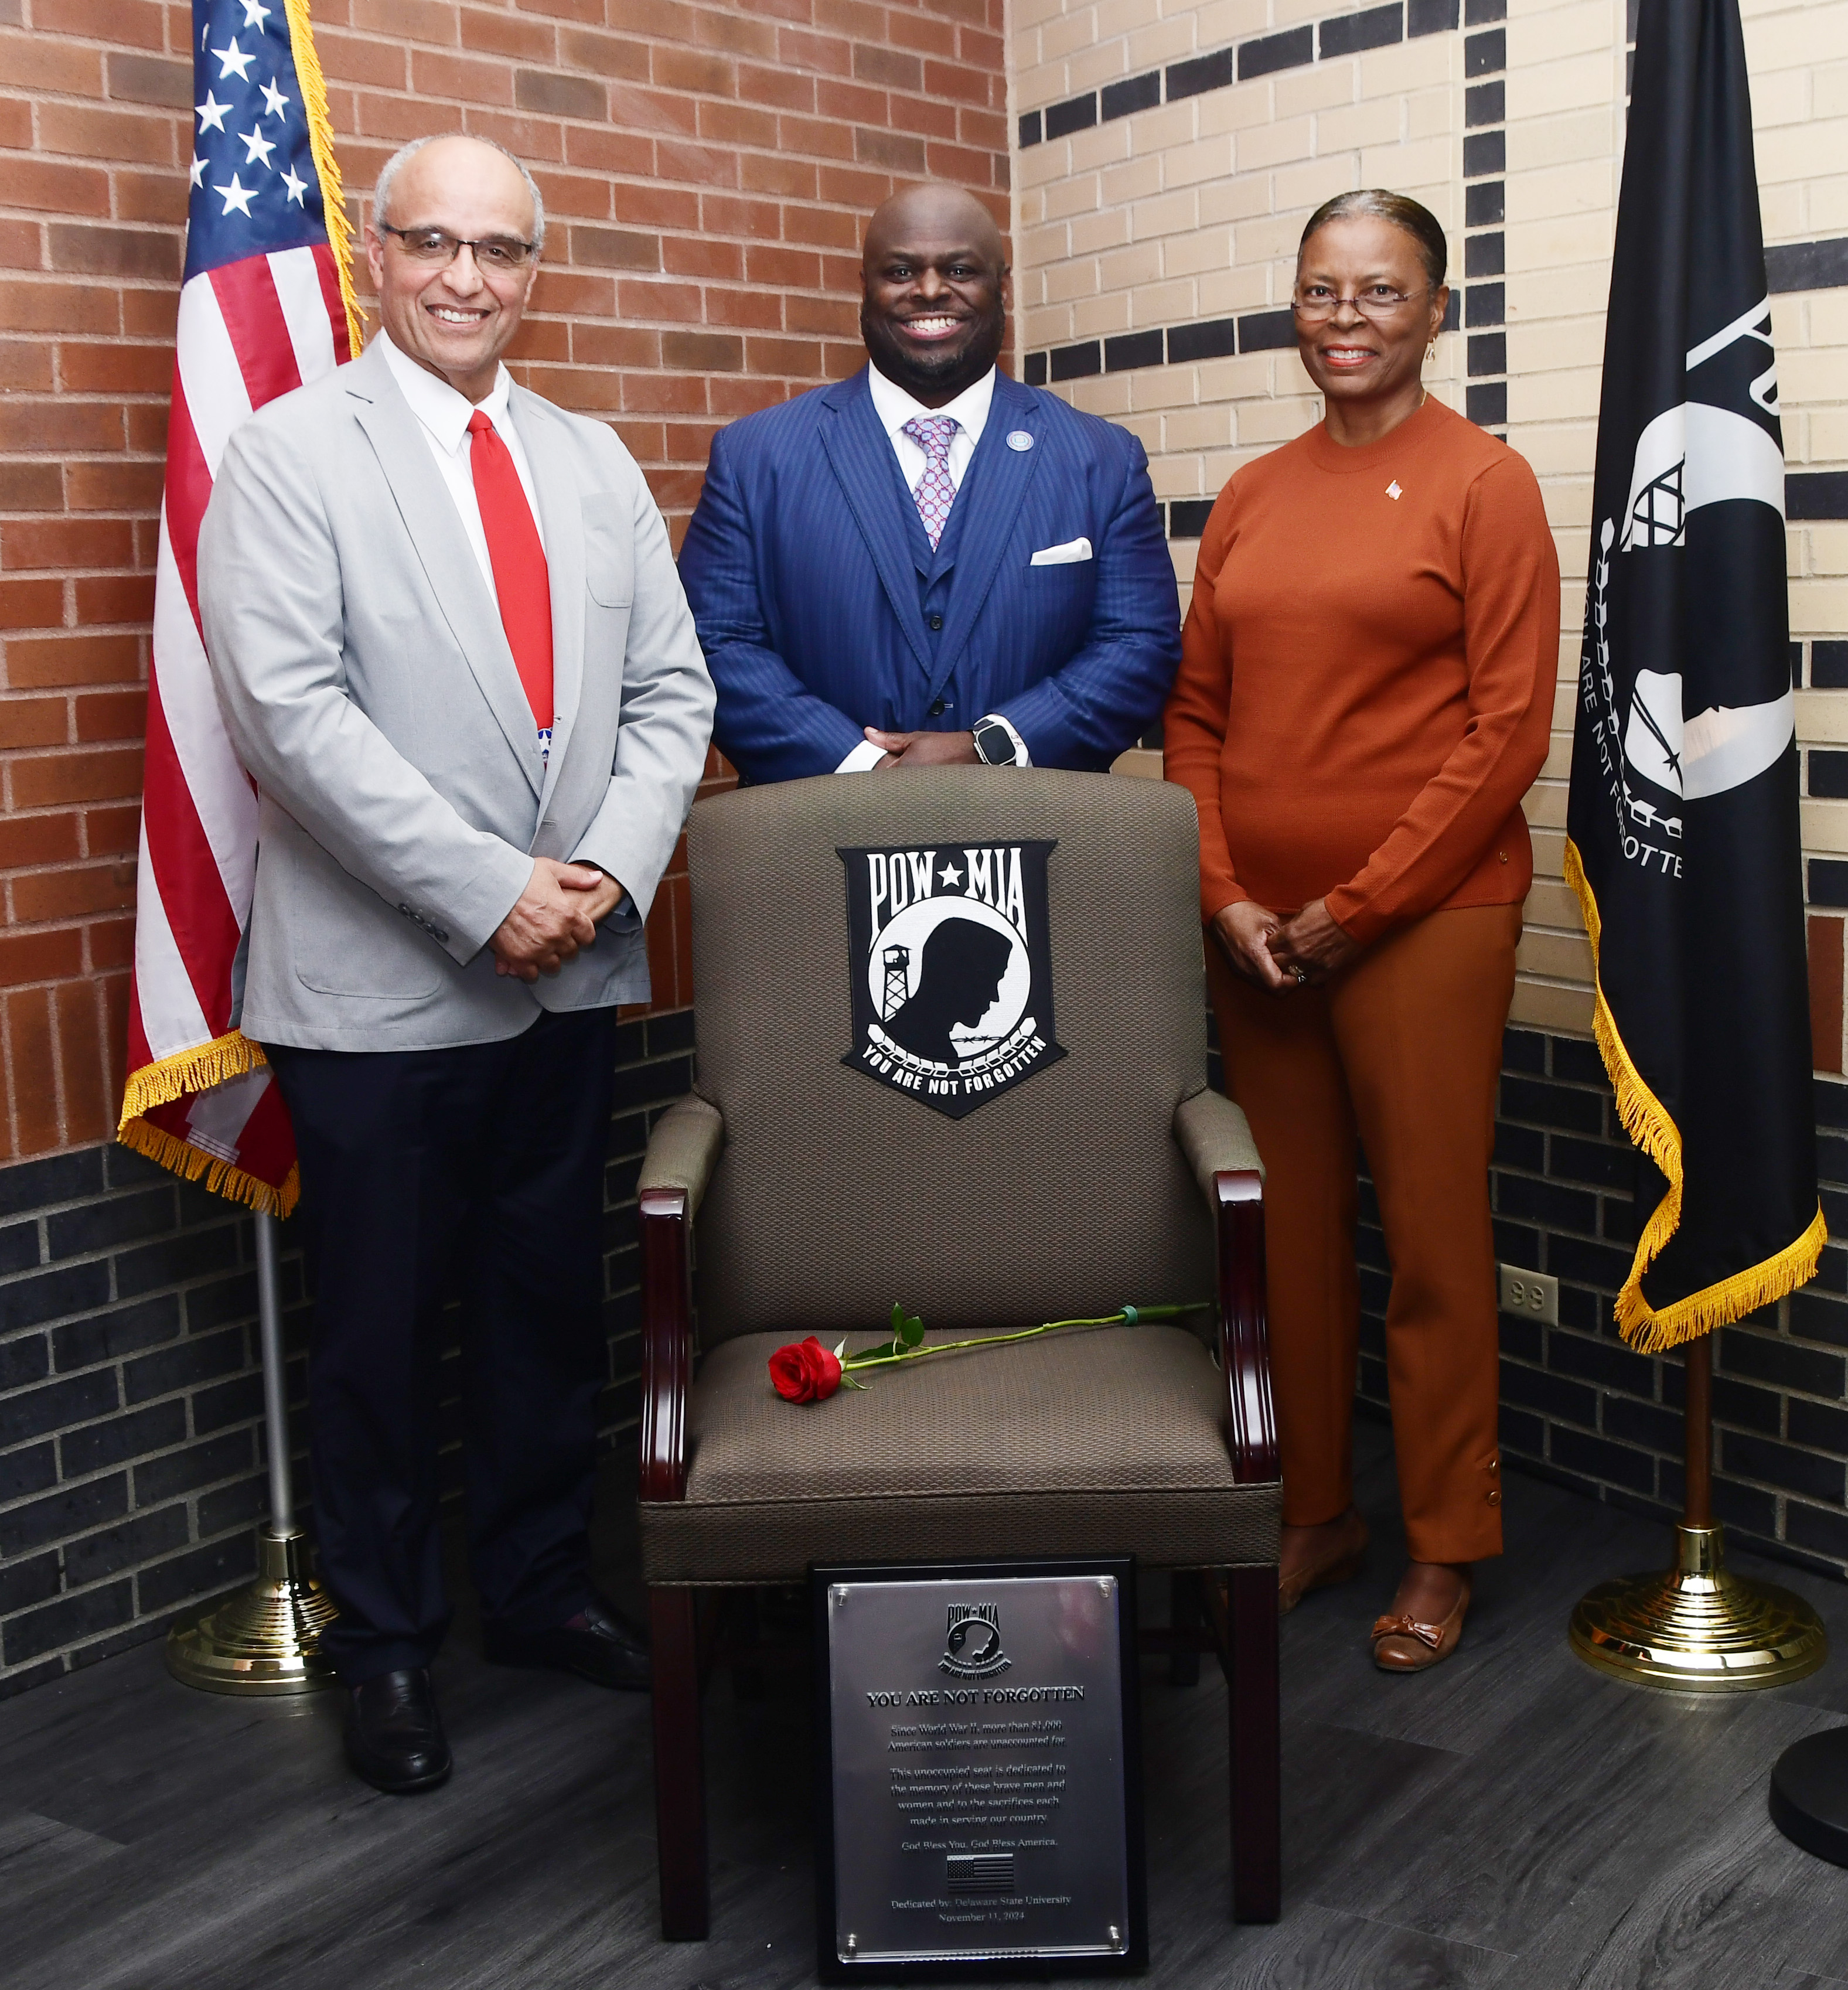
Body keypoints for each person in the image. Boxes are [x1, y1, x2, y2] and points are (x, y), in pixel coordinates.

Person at [197, 134, 715, 1791]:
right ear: (376, 247)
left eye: (501, 251)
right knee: (373, 1330)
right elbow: (290, 719)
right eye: (434, 243)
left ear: (533, 270)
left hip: (567, 974)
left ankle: (544, 1591)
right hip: (380, 987)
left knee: (544, 1304)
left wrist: (608, 876)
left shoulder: (591, 458)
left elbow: (670, 694)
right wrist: (489, 889)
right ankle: (392, 1643)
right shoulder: (287, 456)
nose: (467, 279)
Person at [1164, 189, 1559, 1673]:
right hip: (1258, 937)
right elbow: (1193, 718)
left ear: (1434, 312)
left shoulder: (1483, 483)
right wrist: (1229, 899)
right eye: (1321, 292)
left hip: (1422, 923)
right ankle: (1315, 1510)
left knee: (1434, 1239)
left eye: (1378, 293)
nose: (1344, 320)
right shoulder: (1253, 495)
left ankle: (1445, 1544)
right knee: (1286, 1239)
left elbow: (1506, 732)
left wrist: (1352, 909)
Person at [678, 182, 1181, 782]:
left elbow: (1137, 645)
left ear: (1002, 286)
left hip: (1037, 837)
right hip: (821, 836)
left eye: (960, 269)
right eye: (900, 270)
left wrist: (989, 746)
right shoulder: (755, 457)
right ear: (864, 287)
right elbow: (717, 644)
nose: (930, 290)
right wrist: (863, 765)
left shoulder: (1101, 459)